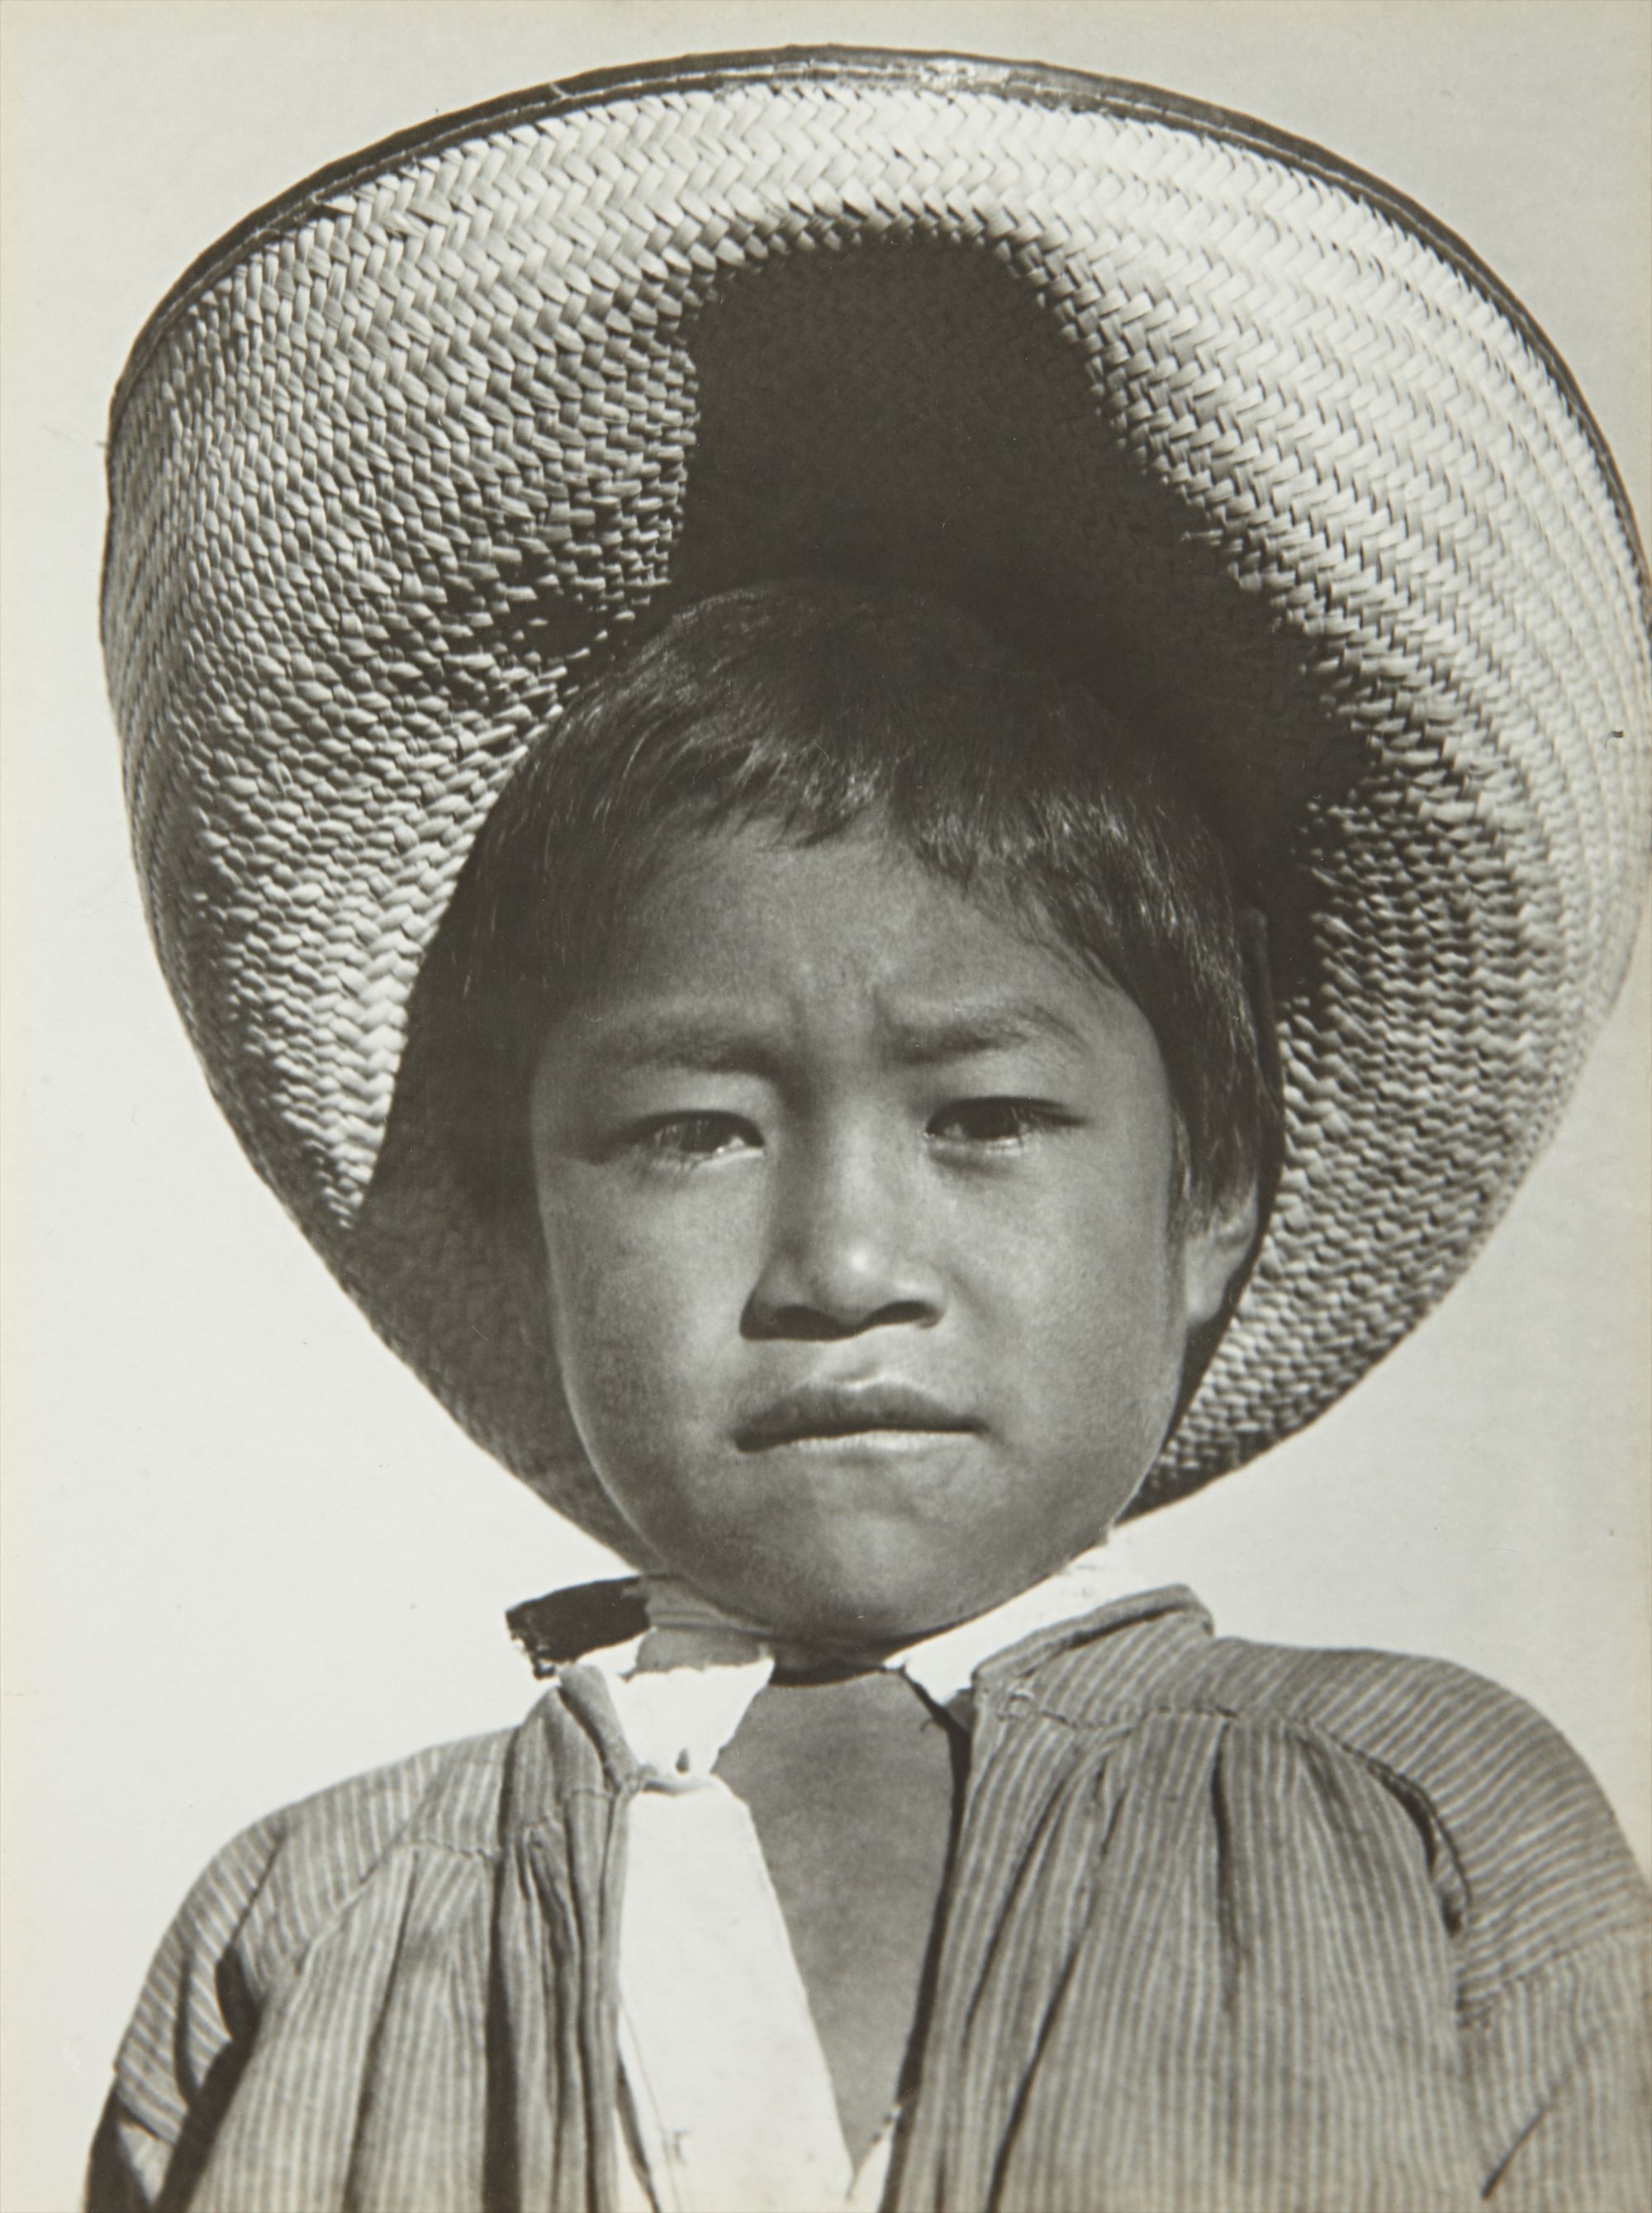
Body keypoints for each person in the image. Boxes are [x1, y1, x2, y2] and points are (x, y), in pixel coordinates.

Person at [88, 45, 1650, 2213]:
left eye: (991, 1116)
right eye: (686, 1134)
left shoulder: (1429, 1832)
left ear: (1208, 1201)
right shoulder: (306, 1930)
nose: (839, 1262)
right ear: (521, 1216)